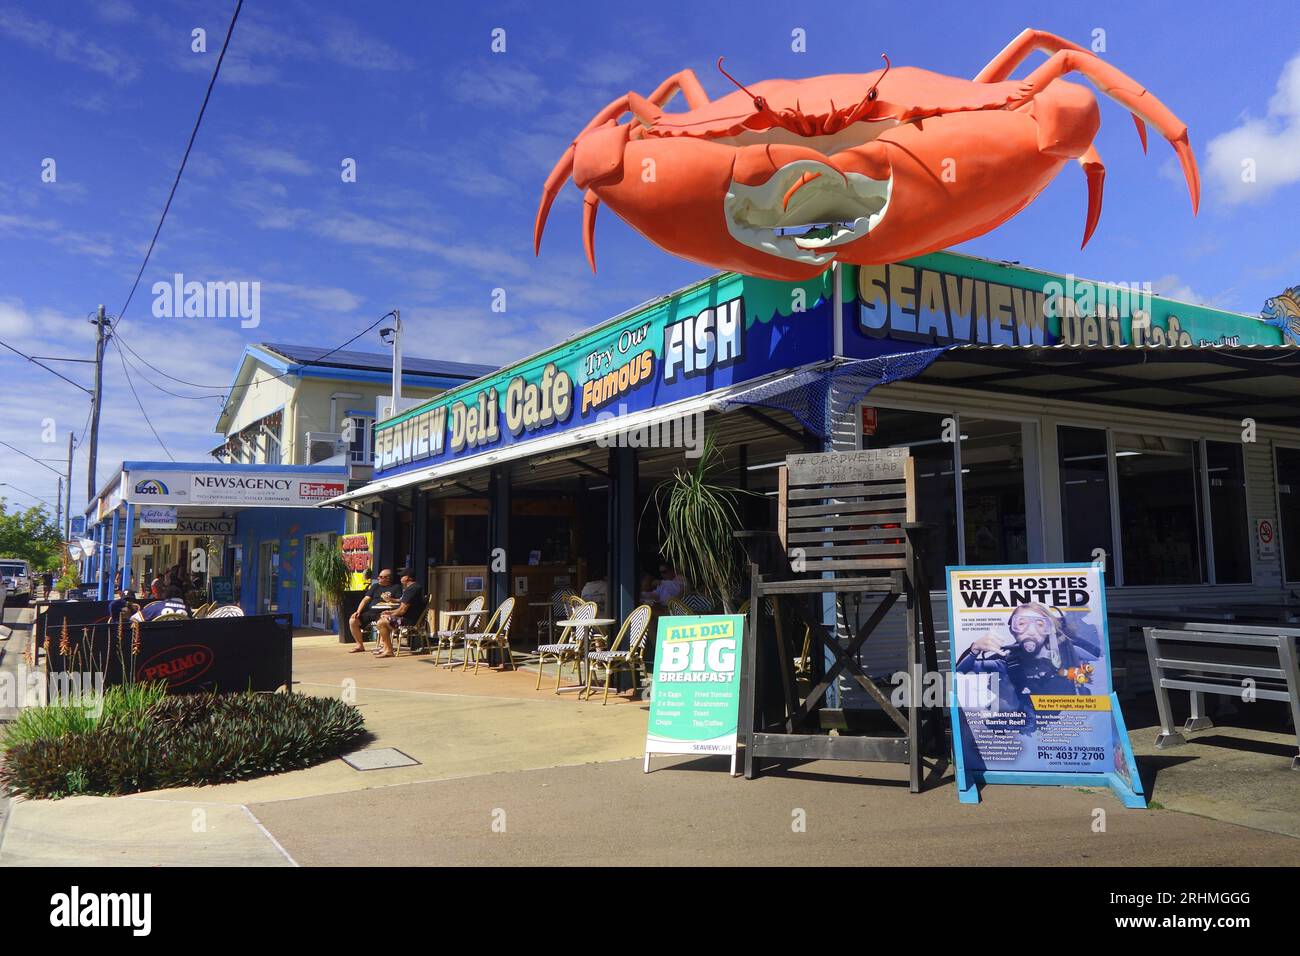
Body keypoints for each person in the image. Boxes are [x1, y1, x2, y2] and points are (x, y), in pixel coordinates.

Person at [955, 602, 1101, 732]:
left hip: (1069, 727)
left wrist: (1069, 634)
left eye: (1040, 624)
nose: (1031, 631)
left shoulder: (1069, 652)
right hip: (1028, 732)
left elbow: (1098, 656)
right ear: (1013, 630)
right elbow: (960, 673)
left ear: (1050, 629)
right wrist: (974, 649)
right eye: (1022, 623)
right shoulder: (1006, 660)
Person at [374, 568, 424, 658]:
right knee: (383, 617)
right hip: (410, 618)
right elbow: (401, 608)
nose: (400, 578)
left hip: (409, 620)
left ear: (407, 578)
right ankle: (386, 648)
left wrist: (390, 615)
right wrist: (389, 612)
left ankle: (388, 650)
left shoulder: (411, 590)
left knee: (381, 622)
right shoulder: (413, 588)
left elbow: (402, 611)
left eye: (402, 576)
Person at [348, 568, 396, 653]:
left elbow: (400, 600)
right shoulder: (375, 586)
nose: (378, 578)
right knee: (353, 620)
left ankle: (384, 644)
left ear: (388, 578)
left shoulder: (395, 587)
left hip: (385, 612)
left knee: (382, 621)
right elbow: (365, 599)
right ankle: (359, 645)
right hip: (371, 612)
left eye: (381, 577)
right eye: (379, 576)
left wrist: (391, 599)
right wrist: (358, 611)